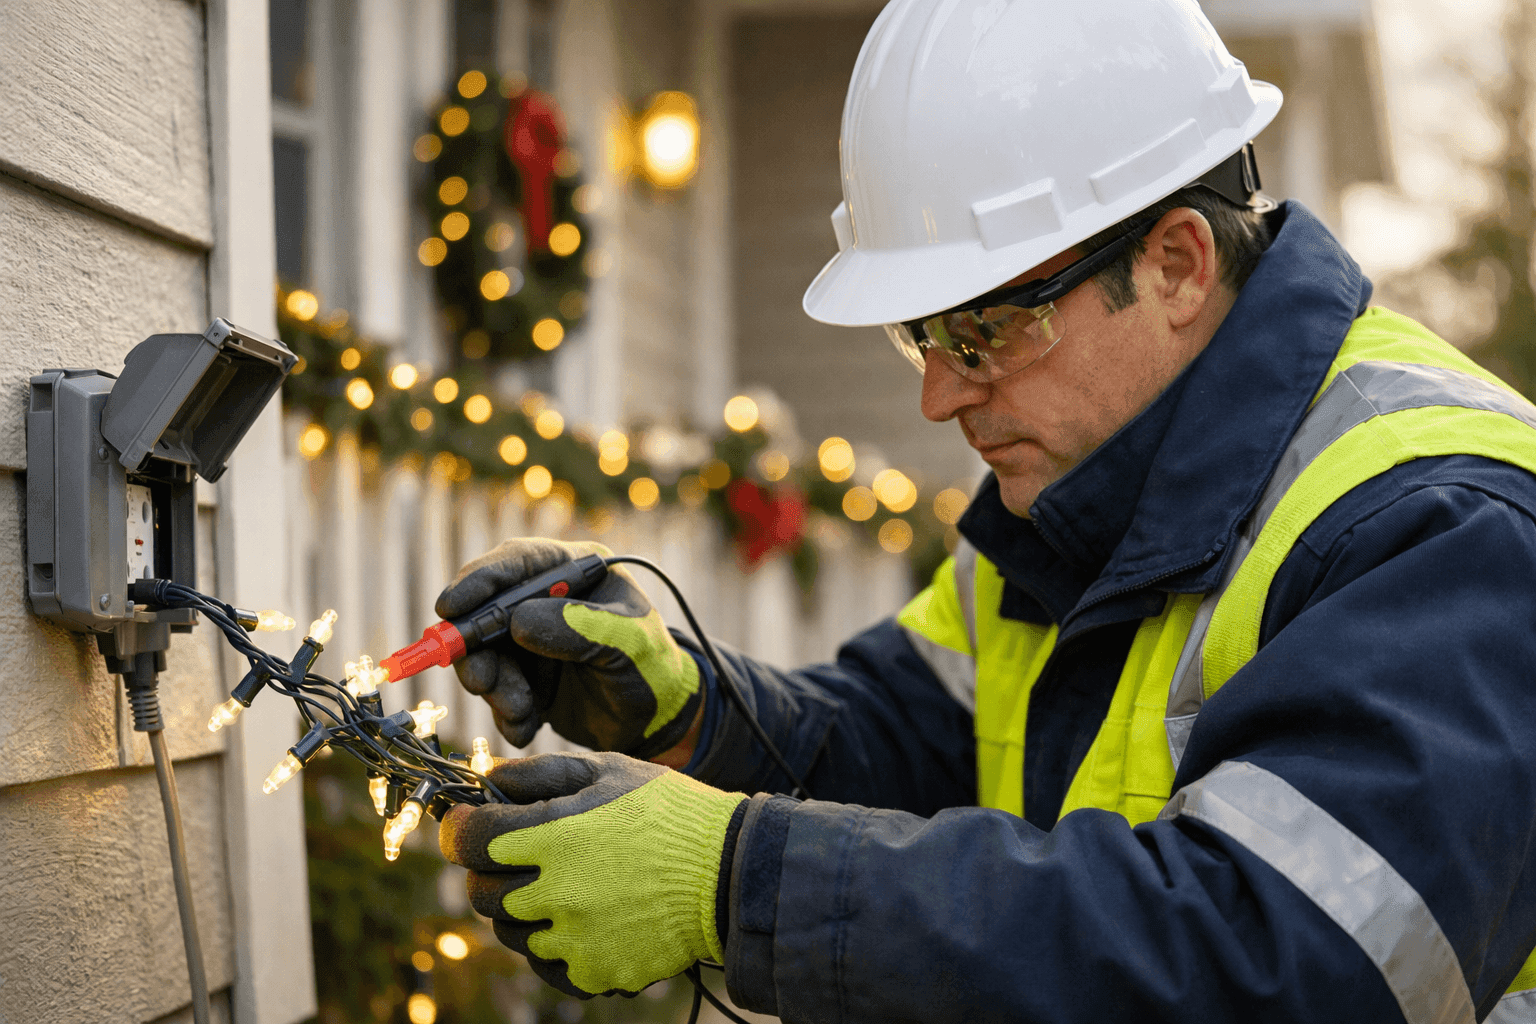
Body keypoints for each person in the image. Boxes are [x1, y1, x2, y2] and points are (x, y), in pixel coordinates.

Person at [436, 2, 1536, 1020]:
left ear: (1177, 266)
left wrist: (739, 880)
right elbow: (910, 736)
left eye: (986, 331)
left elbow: (1278, 957)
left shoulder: (1442, 524)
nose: (939, 392)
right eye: (922, 335)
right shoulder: (1082, 489)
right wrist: (692, 713)